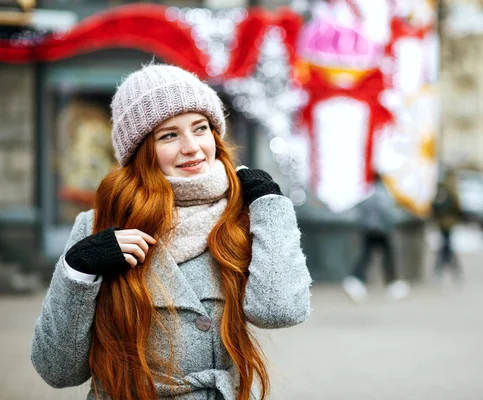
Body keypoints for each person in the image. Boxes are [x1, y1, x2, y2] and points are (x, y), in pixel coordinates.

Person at [31, 64, 312, 400]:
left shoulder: (242, 215)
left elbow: (280, 311)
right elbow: (57, 371)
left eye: (201, 128)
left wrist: (271, 206)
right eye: (169, 135)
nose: (192, 146)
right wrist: (77, 271)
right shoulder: (100, 224)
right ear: (140, 151)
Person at [342, 173, 410, 303]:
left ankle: (355, 280)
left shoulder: (367, 193)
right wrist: (391, 225)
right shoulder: (383, 193)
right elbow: (388, 212)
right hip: (382, 229)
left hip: (368, 229)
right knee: (388, 257)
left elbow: (359, 210)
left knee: (366, 255)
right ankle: (392, 284)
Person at [431, 168, 463, 282]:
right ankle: (448, 270)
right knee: (446, 246)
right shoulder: (450, 191)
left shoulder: (443, 190)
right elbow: (457, 207)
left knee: (445, 246)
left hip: (444, 222)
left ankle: (441, 269)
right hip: (447, 223)